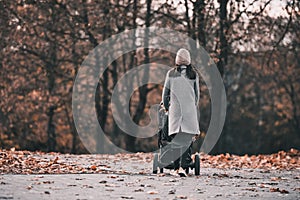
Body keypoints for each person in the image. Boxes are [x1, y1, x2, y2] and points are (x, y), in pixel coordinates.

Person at [162, 48, 200, 176]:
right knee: (187, 140)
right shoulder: (194, 75)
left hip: (175, 112)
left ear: (177, 60)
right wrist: (192, 107)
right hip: (190, 112)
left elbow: (164, 94)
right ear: (188, 61)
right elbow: (197, 95)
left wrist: (167, 107)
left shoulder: (171, 74)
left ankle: (177, 168)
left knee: (176, 141)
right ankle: (185, 165)